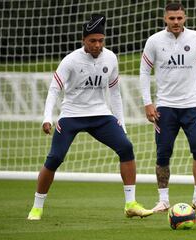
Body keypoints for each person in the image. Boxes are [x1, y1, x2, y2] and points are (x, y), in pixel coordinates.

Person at [27, 14, 153, 220]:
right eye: (92, 40)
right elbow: (53, 90)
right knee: (55, 158)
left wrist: (121, 122)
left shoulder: (111, 58)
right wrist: (47, 117)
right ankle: (36, 207)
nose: (97, 45)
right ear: (83, 40)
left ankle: (130, 204)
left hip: (100, 115)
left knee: (126, 147)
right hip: (71, 116)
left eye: (101, 40)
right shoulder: (70, 61)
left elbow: (114, 92)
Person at [139, 2, 196, 213]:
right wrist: (147, 102)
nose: (176, 22)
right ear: (165, 19)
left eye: (179, 18)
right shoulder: (154, 41)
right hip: (165, 107)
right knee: (163, 154)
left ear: (185, 17)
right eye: (172, 18)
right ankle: (163, 200)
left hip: (192, 106)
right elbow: (144, 72)